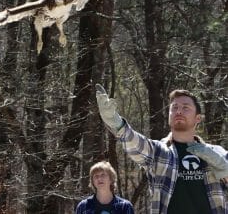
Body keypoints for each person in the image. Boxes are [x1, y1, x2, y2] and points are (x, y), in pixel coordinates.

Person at [96, 84, 228, 214]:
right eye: (174, 107)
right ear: (169, 114)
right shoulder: (158, 151)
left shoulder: (217, 152)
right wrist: (116, 123)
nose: (179, 111)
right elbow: (134, 142)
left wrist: (223, 165)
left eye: (186, 107)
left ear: (198, 118)